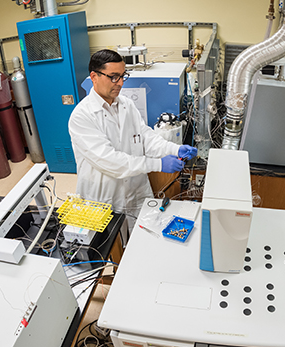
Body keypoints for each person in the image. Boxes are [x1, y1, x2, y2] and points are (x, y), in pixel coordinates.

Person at [69, 49, 197, 225]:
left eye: (123, 76)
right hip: (105, 195)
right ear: (94, 76)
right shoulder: (82, 116)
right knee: (111, 247)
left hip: (135, 189)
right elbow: (110, 161)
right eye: (114, 77)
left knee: (141, 235)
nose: (120, 83)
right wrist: (158, 164)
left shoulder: (127, 105)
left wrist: (174, 148)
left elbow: (145, 137)